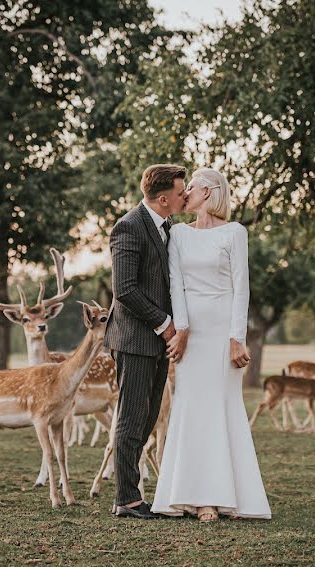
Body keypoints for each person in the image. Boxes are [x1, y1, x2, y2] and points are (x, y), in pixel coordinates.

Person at [151, 167, 271, 522]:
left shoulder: (235, 233)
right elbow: (176, 287)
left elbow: (241, 288)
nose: (184, 194)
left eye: (190, 188)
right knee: (191, 409)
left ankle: (227, 496)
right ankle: (196, 499)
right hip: (191, 333)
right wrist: (181, 330)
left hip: (223, 330)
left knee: (222, 408)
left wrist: (238, 339)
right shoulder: (179, 235)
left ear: (209, 191)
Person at [104, 164, 188, 519]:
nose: (186, 197)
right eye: (182, 193)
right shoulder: (129, 226)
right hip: (136, 339)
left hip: (156, 341)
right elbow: (124, 289)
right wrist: (165, 324)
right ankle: (126, 498)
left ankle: (133, 493)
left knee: (149, 416)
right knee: (132, 418)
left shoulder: (167, 226)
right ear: (165, 198)